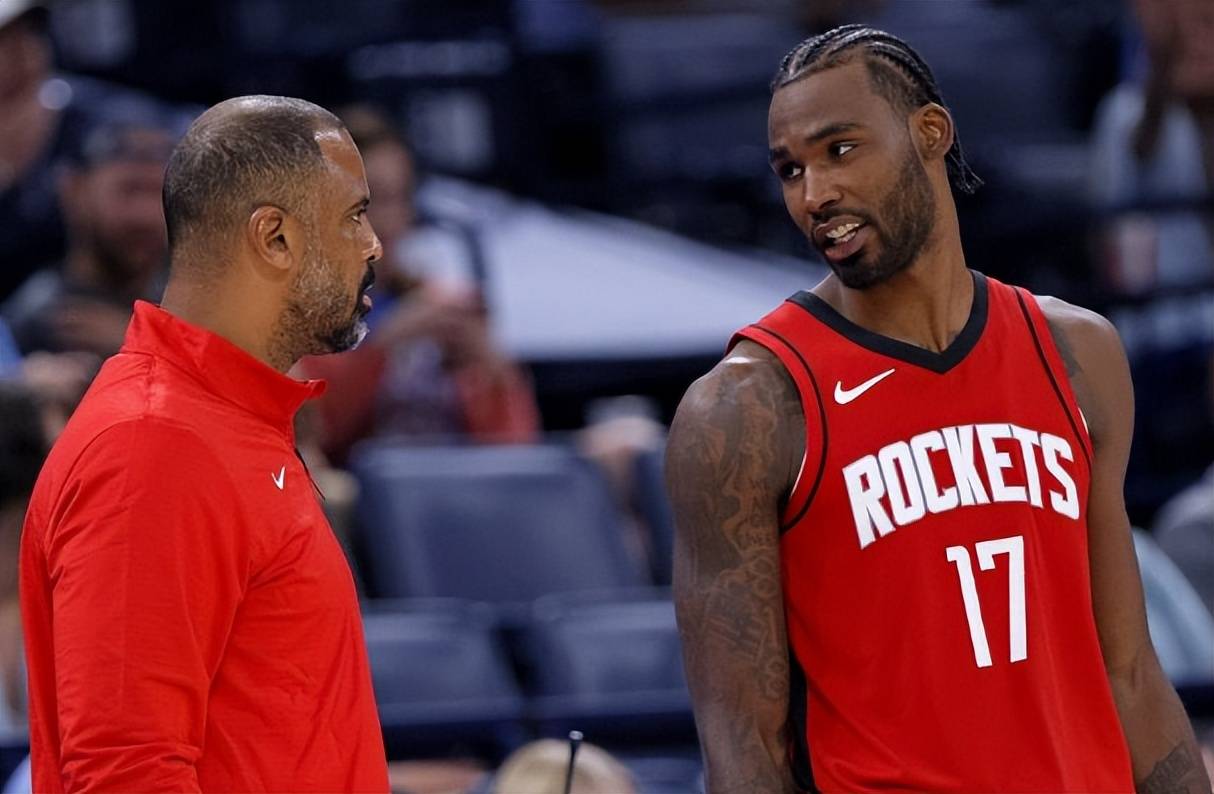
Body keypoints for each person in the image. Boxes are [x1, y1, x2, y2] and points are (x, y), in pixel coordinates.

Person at [666, 25, 1209, 793]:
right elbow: (744, 748)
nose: (815, 194)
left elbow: (1130, 671)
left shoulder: (1077, 353)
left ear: (929, 132)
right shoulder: (747, 407)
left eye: (840, 150)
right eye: (791, 169)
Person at [19, 95, 389, 791]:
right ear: (274, 238)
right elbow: (127, 774)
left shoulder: (224, 422)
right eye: (353, 215)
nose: (374, 244)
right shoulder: (153, 448)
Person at [1, 111, 174, 356]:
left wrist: (140, 343)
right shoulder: (30, 320)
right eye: (130, 190)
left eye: (158, 194)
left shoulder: (192, 311)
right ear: (74, 191)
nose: (145, 215)